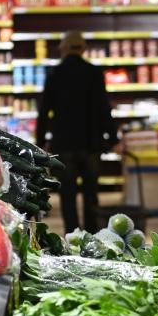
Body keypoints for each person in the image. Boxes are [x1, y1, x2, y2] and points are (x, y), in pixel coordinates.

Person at [36, 30, 117, 233]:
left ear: (63, 49)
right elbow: (103, 107)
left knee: (68, 193)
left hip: (63, 143)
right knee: (91, 193)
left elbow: (44, 110)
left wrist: (40, 140)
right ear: (83, 49)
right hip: (91, 142)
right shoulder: (94, 72)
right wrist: (113, 137)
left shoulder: (55, 73)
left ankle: (72, 234)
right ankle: (92, 234)